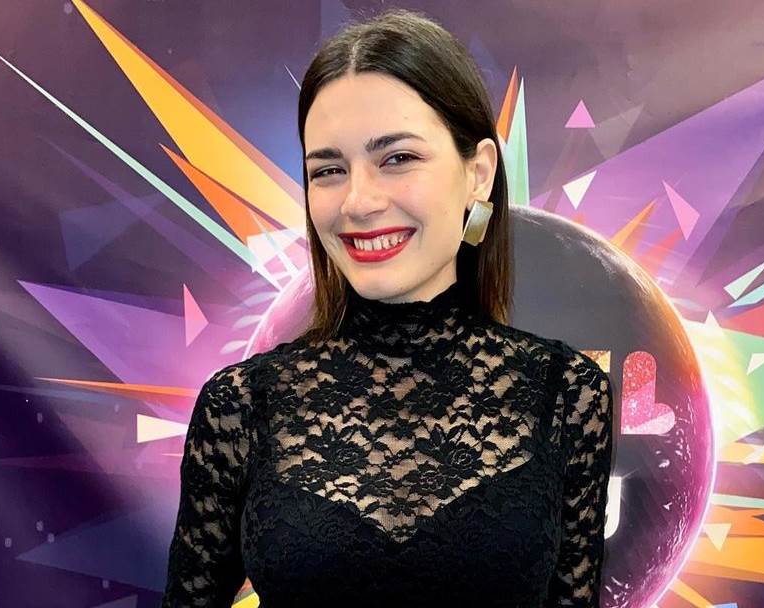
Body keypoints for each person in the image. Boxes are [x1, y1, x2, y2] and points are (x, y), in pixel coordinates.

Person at [162, 9, 614, 607]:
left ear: (478, 173)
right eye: (328, 170)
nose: (358, 201)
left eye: (397, 158)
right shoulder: (241, 406)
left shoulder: (568, 395)